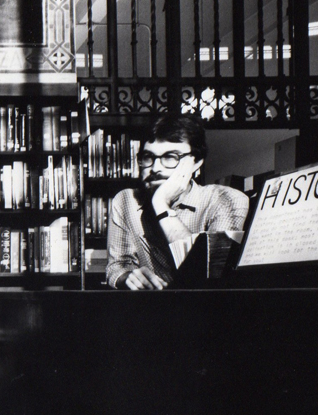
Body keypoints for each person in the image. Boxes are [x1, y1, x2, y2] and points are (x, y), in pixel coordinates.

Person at [106, 113, 249, 290]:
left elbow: (210, 273)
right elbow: (117, 266)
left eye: (170, 157)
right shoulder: (126, 200)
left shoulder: (227, 200)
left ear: (196, 163)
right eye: (147, 157)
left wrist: (161, 204)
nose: (156, 168)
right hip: (149, 310)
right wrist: (126, 276)